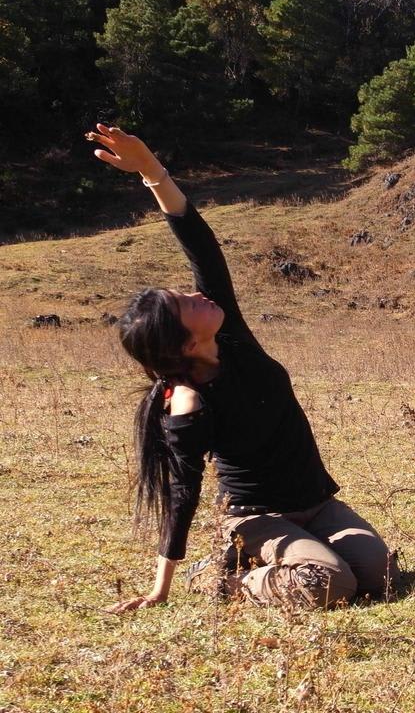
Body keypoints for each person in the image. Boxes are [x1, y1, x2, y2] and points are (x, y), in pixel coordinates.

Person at [88, 124, 397, 613]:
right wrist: (159, 588)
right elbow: (183, 492)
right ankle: (226, 578)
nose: (196, 294)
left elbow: (200, 244)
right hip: (257, 515)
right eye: (185, 303)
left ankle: (290, 556)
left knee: (379, 576)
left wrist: (151, 170)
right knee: (331, 585)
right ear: (186, 343)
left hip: (318, 505)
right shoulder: (190, 401)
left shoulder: (230, 336)